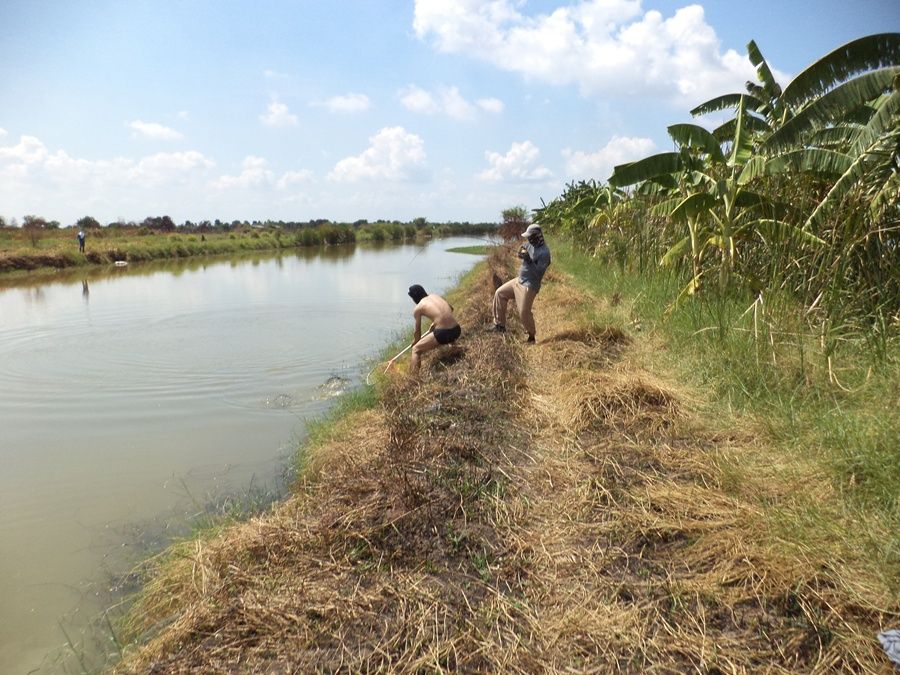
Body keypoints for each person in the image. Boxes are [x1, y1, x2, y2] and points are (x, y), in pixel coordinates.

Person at [492, 223, 551, 343]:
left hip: (529, 285)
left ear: (537, 236)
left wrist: (530, 260)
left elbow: (539, 272)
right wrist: (521, 253)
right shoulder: (529, 244)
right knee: (499, 293)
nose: (528, 239)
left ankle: (531, 336)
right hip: (518, 280)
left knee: (524, 311)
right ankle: (499, 325)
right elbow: (523, 248)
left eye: (530, 237)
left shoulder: (544, 253)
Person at [389, 284, 461, 377]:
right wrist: (435, 323)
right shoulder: (435, 296)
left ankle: (413, 379)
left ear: (414, 297)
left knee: (416, 350)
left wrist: (415, 342)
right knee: (441, 335)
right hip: (456, 330)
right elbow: (450, 309)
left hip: (444, 333)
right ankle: (453, 350)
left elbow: (417, 333)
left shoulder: (418, 308)